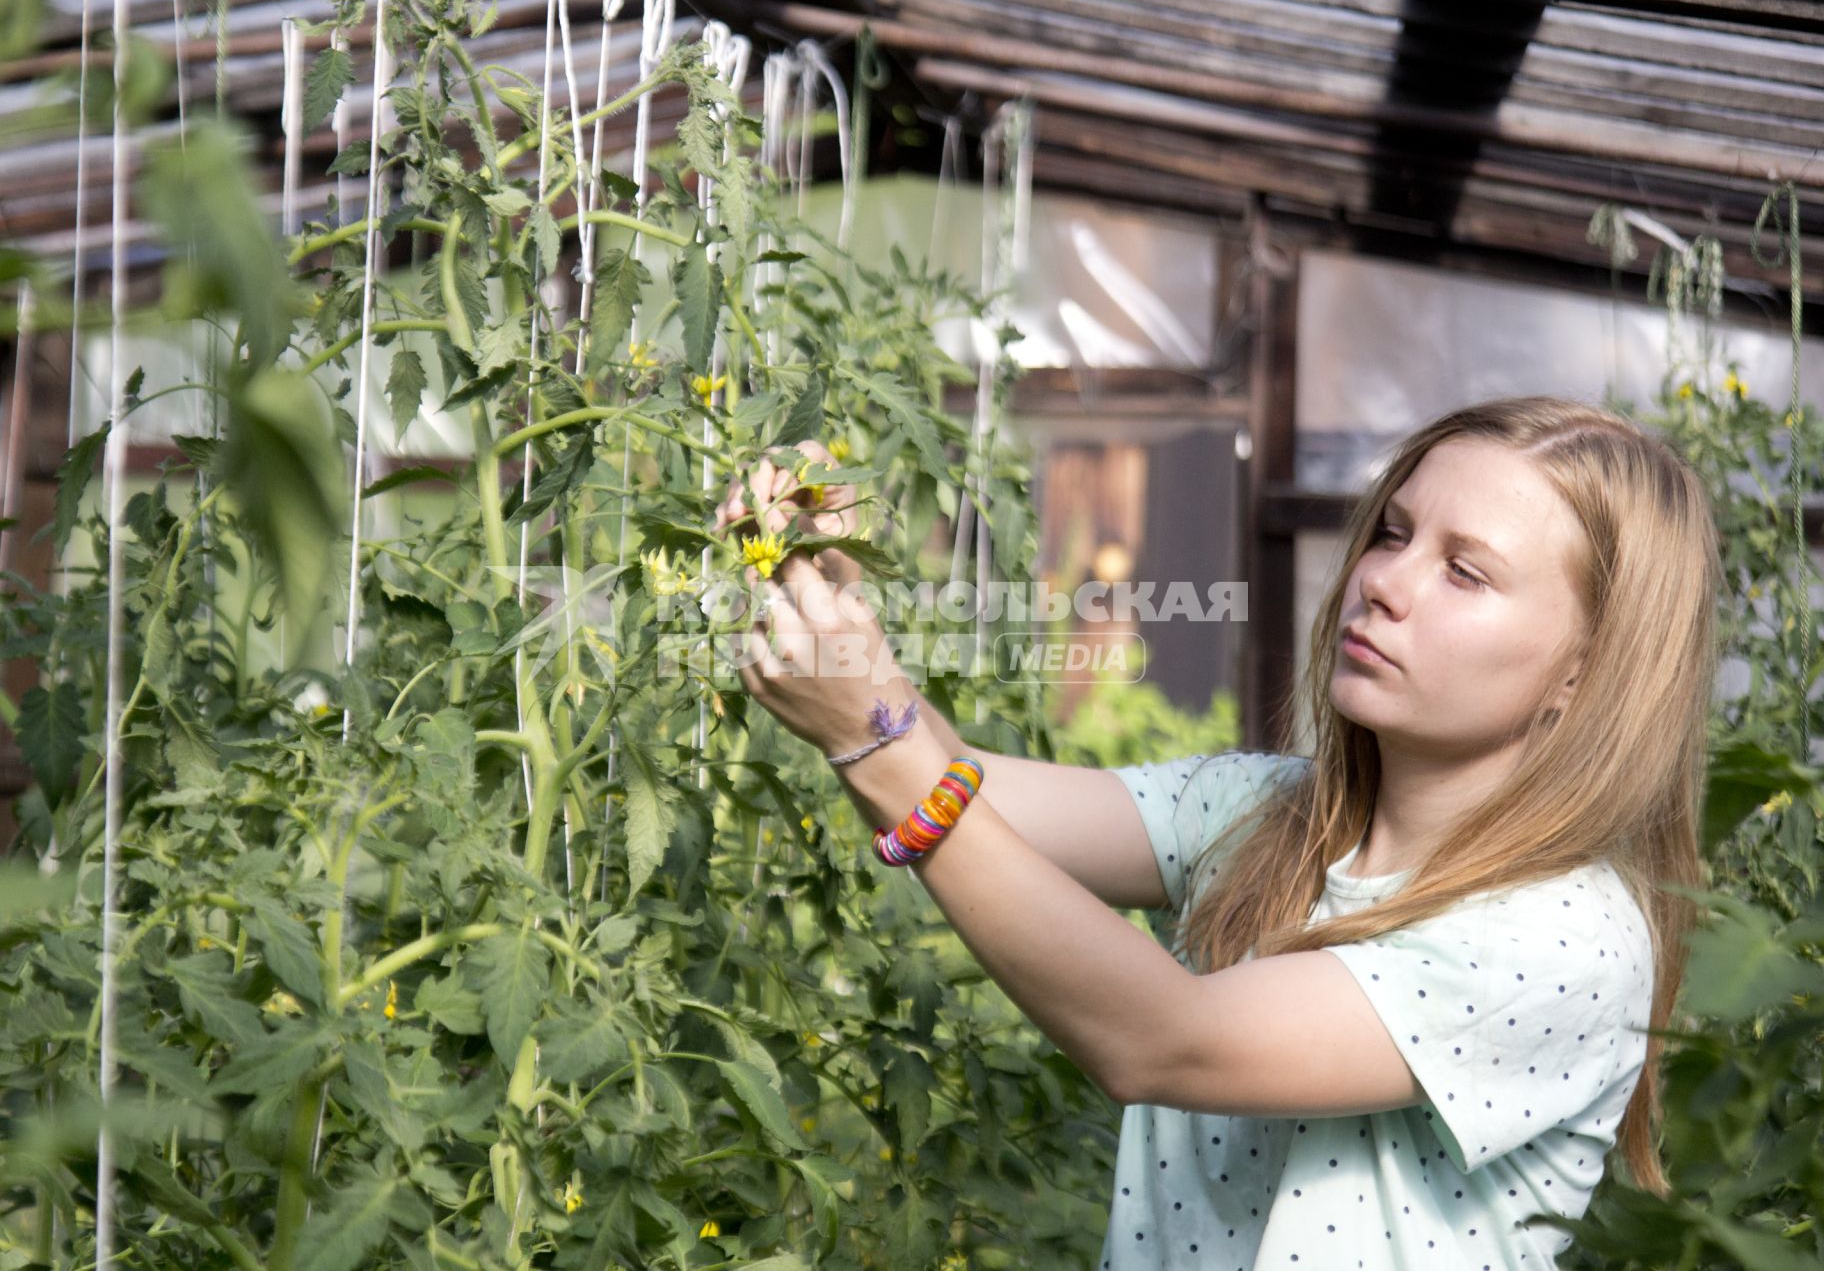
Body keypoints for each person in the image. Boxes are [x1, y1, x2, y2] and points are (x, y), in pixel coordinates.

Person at [712, 395, 1718, 1271]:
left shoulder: (1563, 934)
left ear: (1587, 674)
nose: (1385, 580)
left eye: (1465, 571)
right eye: (1395, 532)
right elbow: (966, 791)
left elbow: (1165, 1039)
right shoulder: (1261, 809)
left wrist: (876, 741)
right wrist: (833, 603)